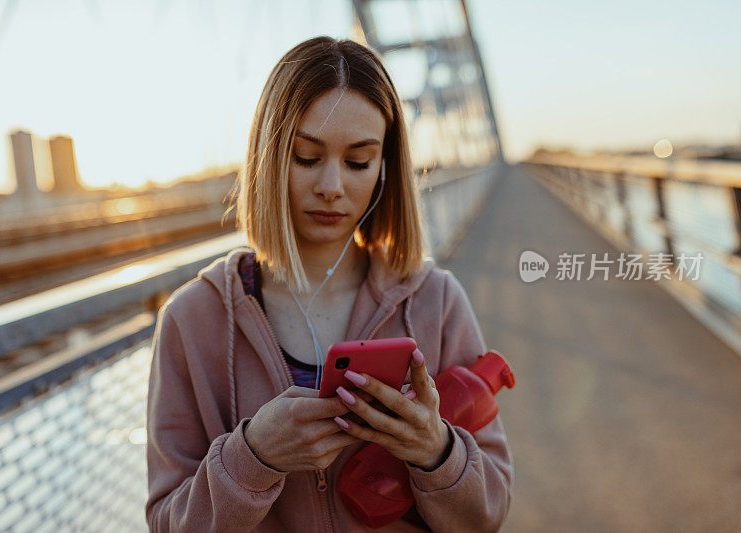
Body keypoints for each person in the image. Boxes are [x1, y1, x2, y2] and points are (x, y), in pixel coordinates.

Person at [145, 36, 513, 532]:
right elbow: (168, 523)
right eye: (305, 156)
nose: (332, 187)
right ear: (267, 158)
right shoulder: (193, 320)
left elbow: (487, 515)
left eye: (358, 161)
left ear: (385, 169)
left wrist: (436, 452)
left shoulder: (437, 301)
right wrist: (253, 457)